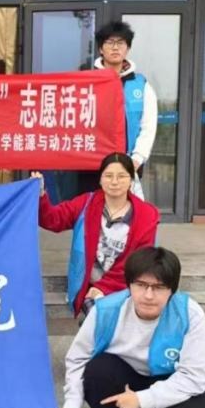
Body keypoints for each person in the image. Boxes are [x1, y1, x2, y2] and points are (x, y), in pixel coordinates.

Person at [50, 247, 205, 408]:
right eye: (141, 285)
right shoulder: (106, 310)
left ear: (172, 290)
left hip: (165, 378)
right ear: (129, 285)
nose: (148, 295)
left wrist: (141, 399)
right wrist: (71, 406)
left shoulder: (190, 314)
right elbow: (78, 358)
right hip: (121, 375)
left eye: (158, 287)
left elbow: (195, 376)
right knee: (98, 370)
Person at [31, 152, 159, 320]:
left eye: (121, 176)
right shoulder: (86, 204)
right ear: (100, 179)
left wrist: (103, 289)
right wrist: (41, 196)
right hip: (89, 289)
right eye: (108, 176)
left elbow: (139, 262)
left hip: (127, 288)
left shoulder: (147, 215)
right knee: (97, 319)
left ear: (131, 180)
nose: (114, 182)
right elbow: (53, 220)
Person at [78, 21, 158, 197]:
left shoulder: (141, 85)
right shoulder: (86, 81)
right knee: (90, 209)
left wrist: (137, 158)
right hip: (91, 165)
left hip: (127, 164)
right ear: (101, 49)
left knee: (126, 210)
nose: (115, 47)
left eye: (120, 43)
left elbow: (148, 126)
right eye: (109, 42)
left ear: (127, 48)